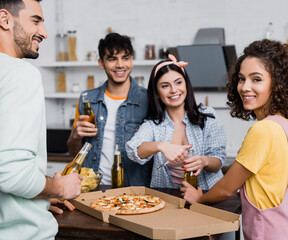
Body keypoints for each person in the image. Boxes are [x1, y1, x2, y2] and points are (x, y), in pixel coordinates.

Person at [181, 39, 288, 239]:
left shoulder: (264, 130)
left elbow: (226, 188)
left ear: (278, 84)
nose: (245, 87)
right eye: (241, 79)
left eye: (256, 79)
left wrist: (200, 198)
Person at [0, 0, 83, 239]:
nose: (44, 33)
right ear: (4, 19)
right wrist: (60, 187)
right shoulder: (20, 73)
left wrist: (41, 194)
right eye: (35, 21)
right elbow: (11, 173)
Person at [126, 54, 226, 190]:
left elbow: (218, 161)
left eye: (178, 82)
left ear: (186, 84)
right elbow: (133, 150)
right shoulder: (153, 125)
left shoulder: (208, 116)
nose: (174, 90)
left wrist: (204, 161)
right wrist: (161, 146)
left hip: (208, 195)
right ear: (156, 92)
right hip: (169, 200)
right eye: (165, 86)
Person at [67, 33, 152, 186]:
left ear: (132, 60)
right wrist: (75, 136)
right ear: (101, 63)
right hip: (94, 188)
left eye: (125, 58)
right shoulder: (87, 100)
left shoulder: (149, 100)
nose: (120, 65)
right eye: (112, 59)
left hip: (134, 192)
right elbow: (74, 153)